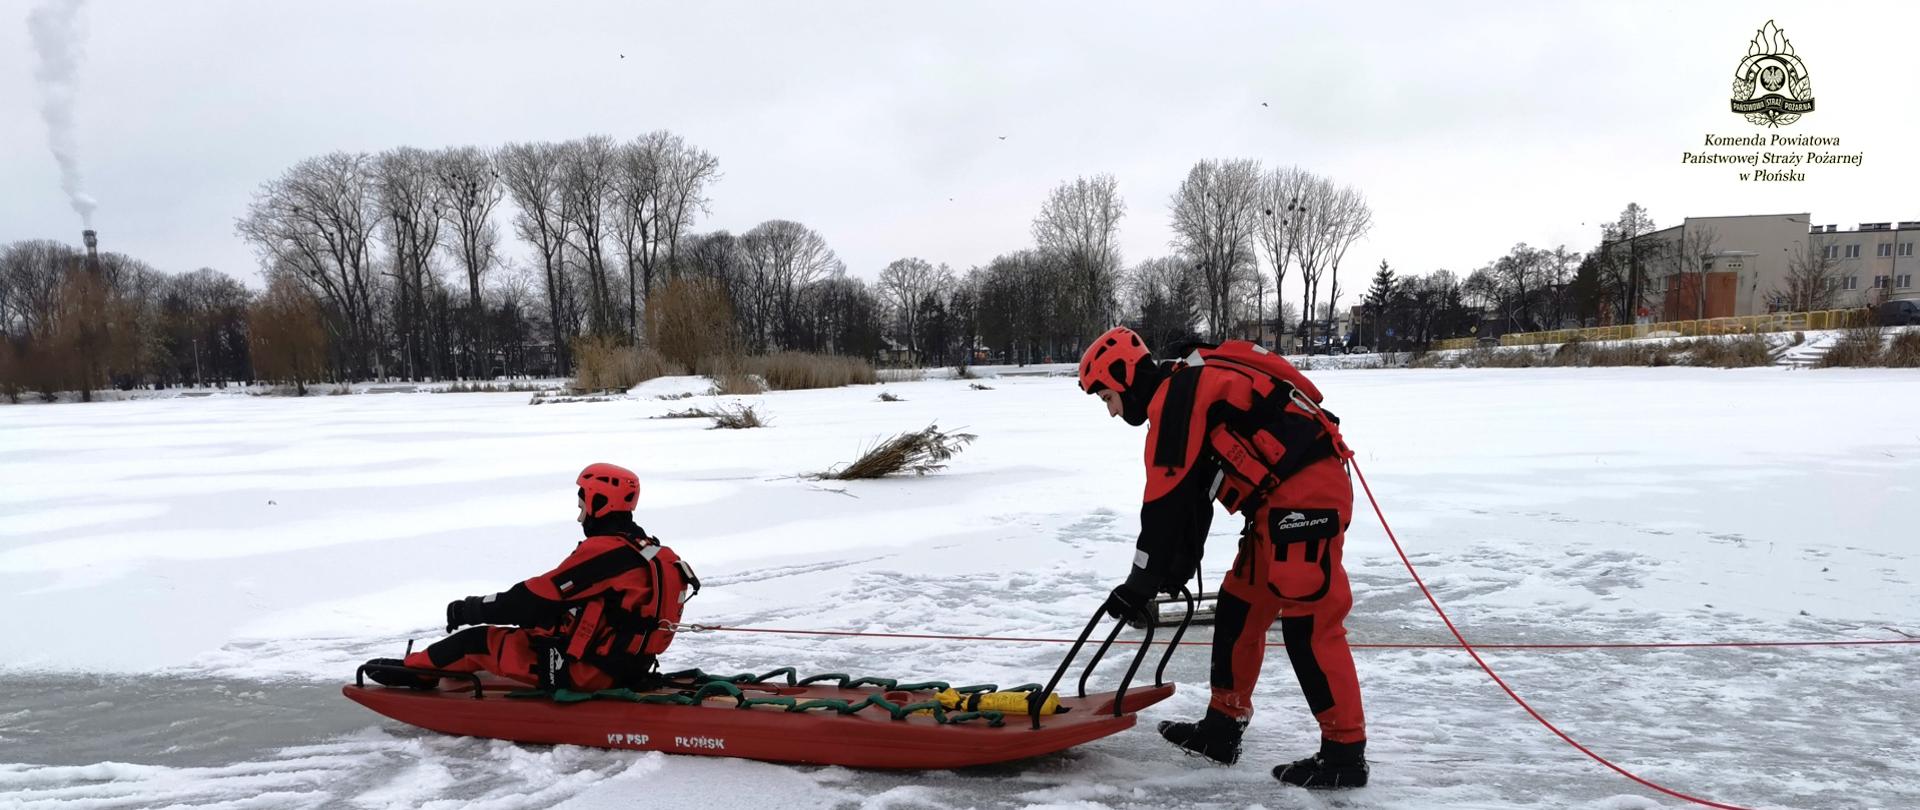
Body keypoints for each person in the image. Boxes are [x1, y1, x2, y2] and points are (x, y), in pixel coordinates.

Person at [1077, 326, 1369, 789]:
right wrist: (1171, 572)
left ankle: (1344, 753)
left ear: (1124, 374)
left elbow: (1164, 506)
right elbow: (1191, 500)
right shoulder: (1181, 391)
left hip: (1308, 496)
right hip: (1276, 504)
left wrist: (1140, 584)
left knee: (1309, 622)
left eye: (1107, 397)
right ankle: (1221, 727)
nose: (1111, 411)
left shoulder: (1176, 398)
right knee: (1239, 606)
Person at [363, 463, 698, 692]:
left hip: (587, 672)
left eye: (583, 503)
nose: (580, 513)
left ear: (599, 504)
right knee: (533, 629)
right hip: (630, 667)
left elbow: (532, 601)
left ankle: (417, 672)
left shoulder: (605, 553)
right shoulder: (655, 552)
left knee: (477, 642)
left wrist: (470, 609)